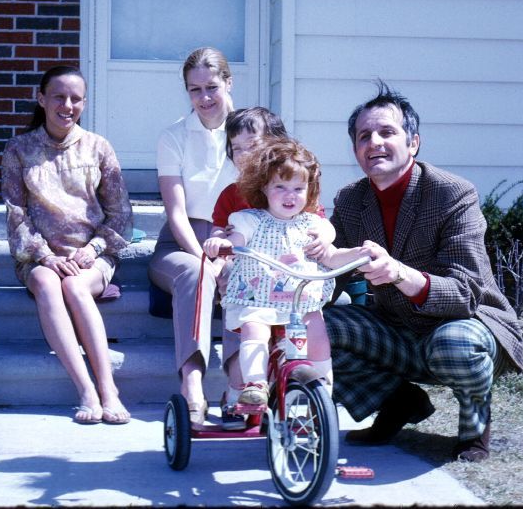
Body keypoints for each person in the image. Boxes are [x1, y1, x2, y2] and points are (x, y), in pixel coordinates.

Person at [323, 80, 523, 462]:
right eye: (364, 136)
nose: (374, 142)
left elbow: (467, 293)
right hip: (398, 331)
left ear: (413, 142)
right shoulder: (351, 200)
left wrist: (400, 273)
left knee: (455, 344)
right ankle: (398, 402)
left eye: (387, 132)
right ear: (355, 150)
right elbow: (332, 274)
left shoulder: (452, 193)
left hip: (467, 325)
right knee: (317, 330)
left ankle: (474, 427)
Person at [2, 65, 133, 424]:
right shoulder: (19, 149)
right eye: (58, 96)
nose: (67, 105)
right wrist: (44, 255)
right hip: (39, 256)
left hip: (92, 256)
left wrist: (91, 250)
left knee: (75, 287)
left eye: (76, 98)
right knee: (47, 280)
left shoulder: (99, 147)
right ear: (41, 99)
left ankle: (109, 390)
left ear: (85, 103)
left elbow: (120, 215)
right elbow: (16, 214)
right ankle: (86, 391)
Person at [203, 137, 369, 405]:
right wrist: (223, 245)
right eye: (280, 186)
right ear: (264, 188)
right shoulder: (249, 220)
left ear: (309, 191)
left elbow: (331, 256)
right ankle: (255, 383)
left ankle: (323, 391)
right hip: (259, 299)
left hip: (300, 303)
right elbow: (237, 241)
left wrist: (358, 255)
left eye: (298, 188)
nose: (290, 195)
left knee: (318, 334)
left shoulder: (314, 225)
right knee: (254, 328)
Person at [209, 109, 336, 428]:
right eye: (236, 148)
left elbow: (321, 225)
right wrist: (220, 255)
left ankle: (315, 394)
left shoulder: (296, 191)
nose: (243, 155)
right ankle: (241, 392)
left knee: (312, 337)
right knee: (246, 339)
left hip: (293, 290)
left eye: (252, 145)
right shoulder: (232, 196)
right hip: (250, 287)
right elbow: (223, 232)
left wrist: (323, 239)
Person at [148, 47, 239, 426]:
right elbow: (176, 212)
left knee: (239, 275)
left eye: (212, 87)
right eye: (194, 89)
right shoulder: (173, 137)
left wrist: (226, 255)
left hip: (237, 236)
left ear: (229, 83)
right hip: (181, 241)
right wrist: (205, 258)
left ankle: (237, 386)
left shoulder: (251, 130)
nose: (204, 98)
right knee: (195, 274)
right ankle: (193, 387)